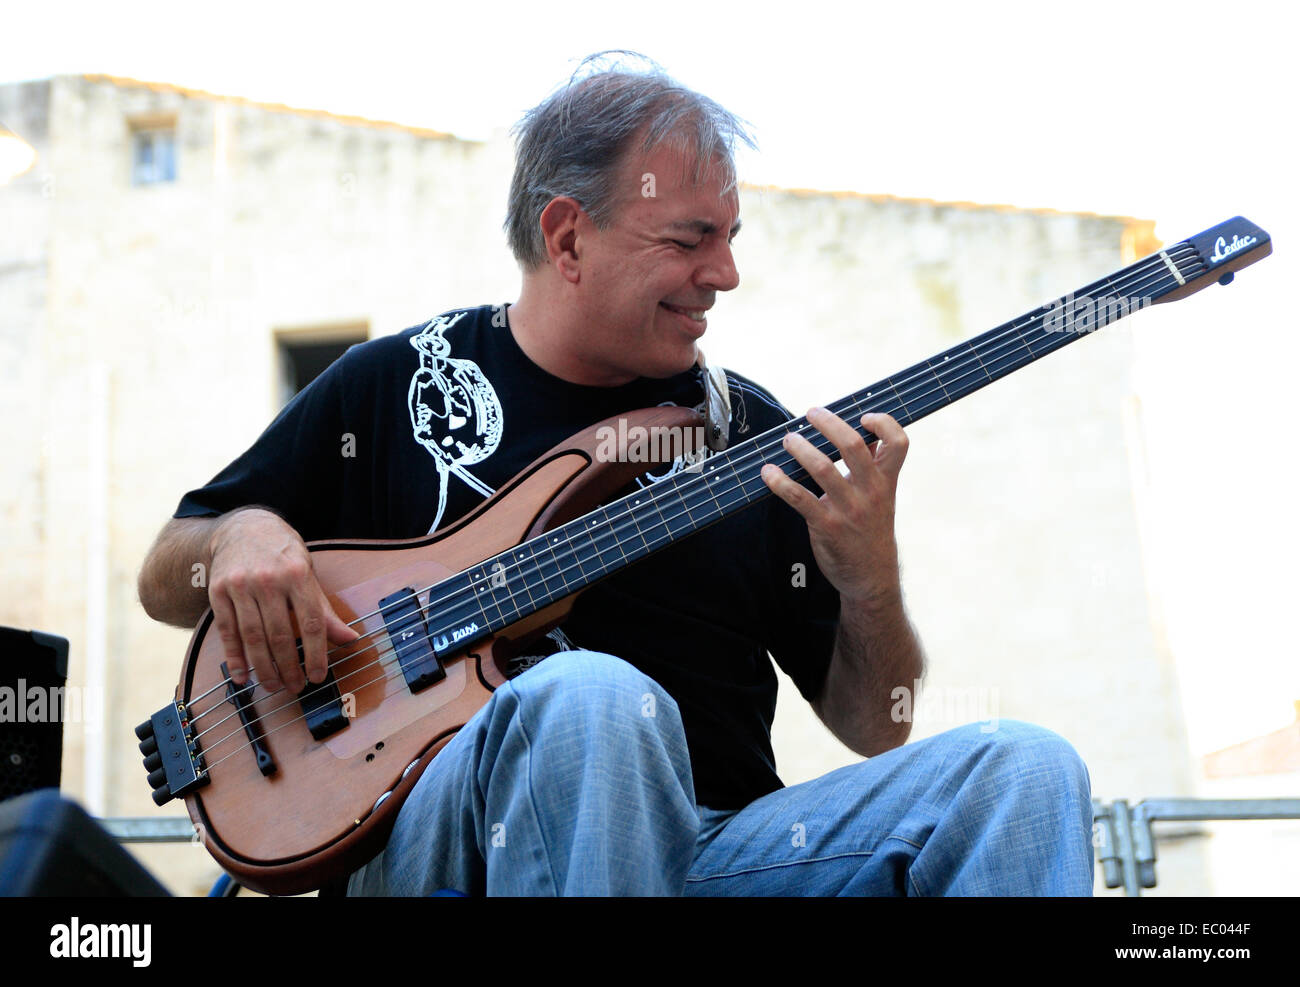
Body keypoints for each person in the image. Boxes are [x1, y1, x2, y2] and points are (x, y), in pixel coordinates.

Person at [138, 55, 1094, 896]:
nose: (724, 273)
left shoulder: (748, 433)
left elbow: (874, 725)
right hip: (452, 849)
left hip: (720, 855)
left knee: (1025, 771)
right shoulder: (398, 382)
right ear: (566, 240)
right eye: (688, 238)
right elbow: (162, 577)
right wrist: (235, 535)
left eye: (730, 236)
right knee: (592, 696)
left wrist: (868, 575)